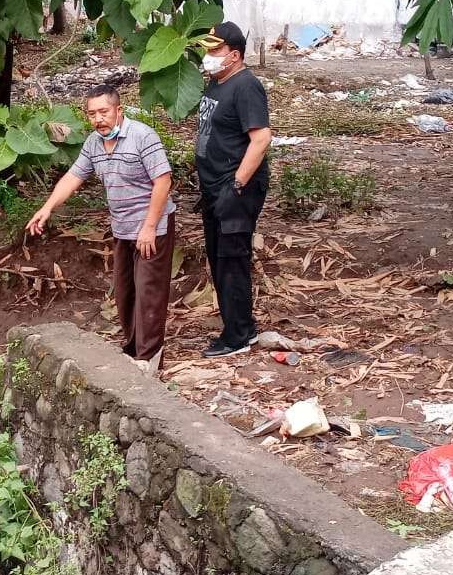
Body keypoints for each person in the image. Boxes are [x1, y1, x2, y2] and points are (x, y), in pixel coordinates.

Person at [26, 85, 175, 372]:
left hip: (151, 228)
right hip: (122, 228)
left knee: (149, 293)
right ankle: (132, 349)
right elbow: (73, 176)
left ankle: (149, 359)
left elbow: (163, 181)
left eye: (104, 112)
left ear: (119, 110)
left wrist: (150, 226)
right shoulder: (94, 143)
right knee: (125, 292)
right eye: (92, 114)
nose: (98, 119)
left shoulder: (143, 136)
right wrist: (47, 208)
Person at [195, 21, 272, 357]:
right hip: (216, 188)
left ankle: (238, 337)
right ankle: (240, 325)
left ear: (235, 55)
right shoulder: (217, 83)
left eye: (215, 50)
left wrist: (236, 185)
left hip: (236, 189)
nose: (208, 56)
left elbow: (261, 138)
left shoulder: (246, 86)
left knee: (231, 259)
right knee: (218, 257)